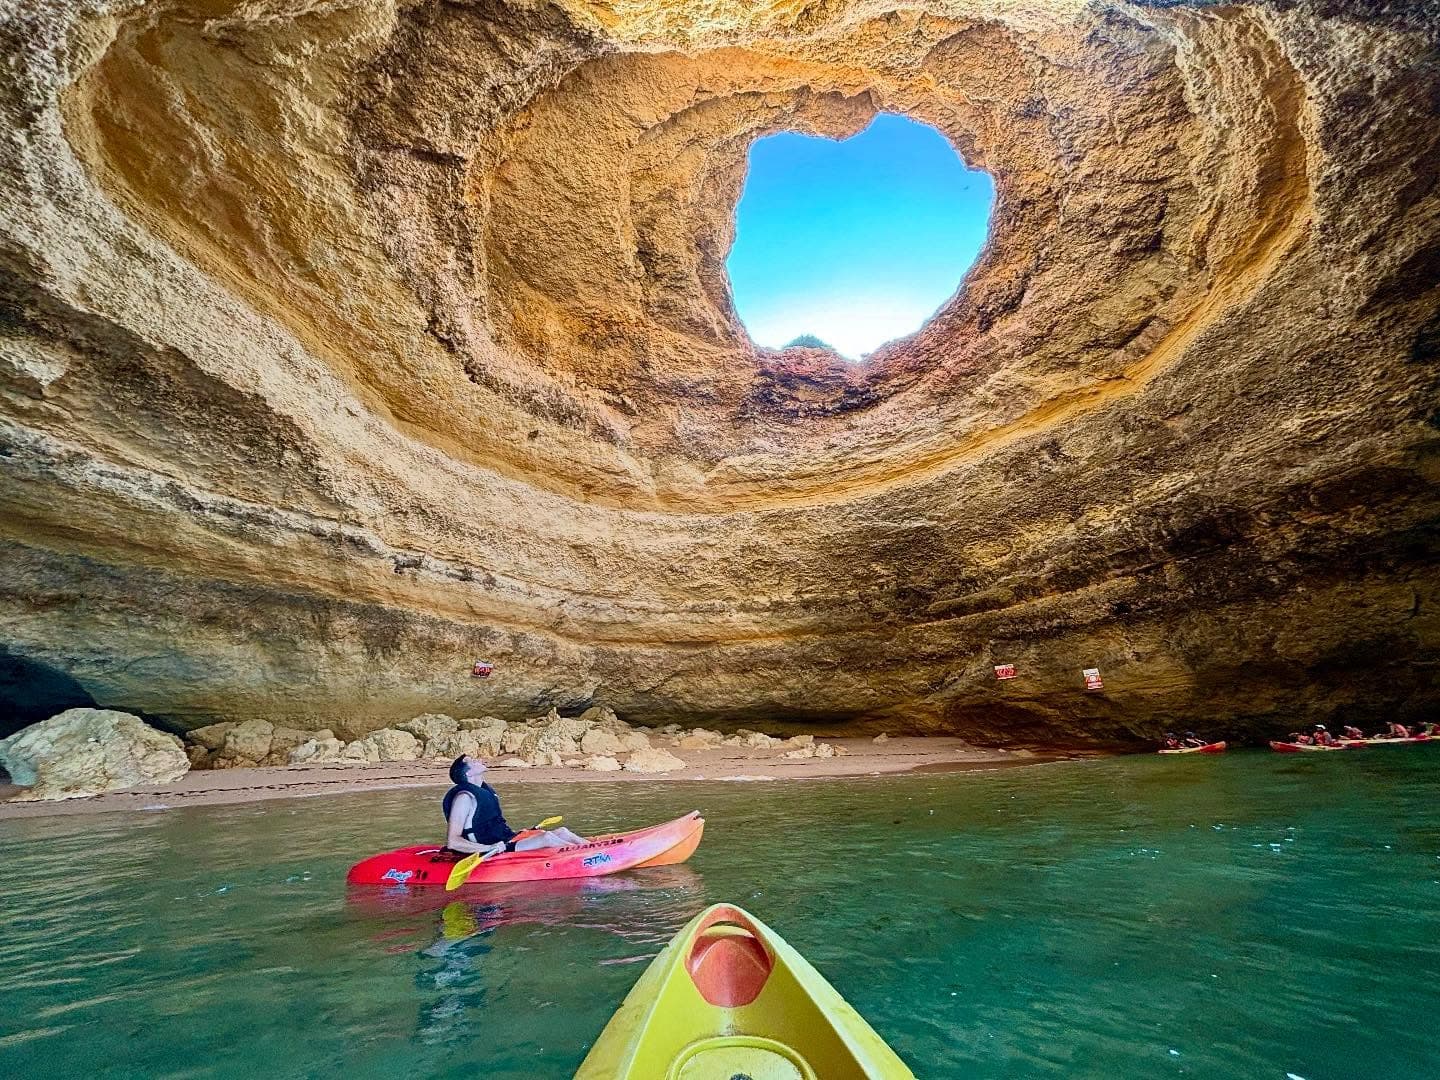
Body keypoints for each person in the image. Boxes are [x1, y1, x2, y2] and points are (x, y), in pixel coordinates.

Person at [442, 755, 587, 857]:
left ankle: (592, 848)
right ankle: (585, 856)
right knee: (547, 838)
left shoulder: (483, 790)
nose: (478, 759)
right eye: (472, 761)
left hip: (507, 839)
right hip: (495, 847)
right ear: (468, 772)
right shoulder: (464, 798)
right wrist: (488, 848)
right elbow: (453, 842)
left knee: (562, 831)